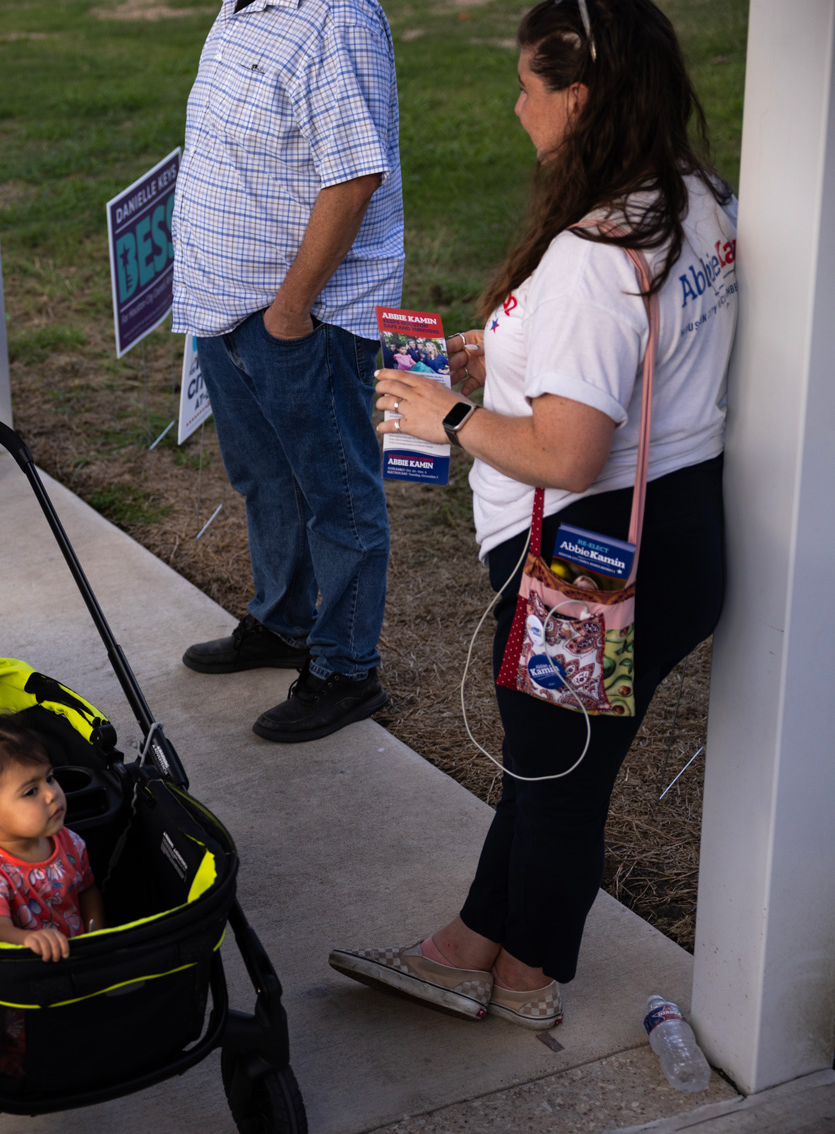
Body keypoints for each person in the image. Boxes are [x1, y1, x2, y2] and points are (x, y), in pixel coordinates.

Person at [330, 0, 734, 1029]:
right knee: (551, 760)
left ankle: (522, 979)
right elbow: (625, 365)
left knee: (554, 777)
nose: (516, 108)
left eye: (527, 87)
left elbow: (567, 449)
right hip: (674, 528)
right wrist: (499, 356)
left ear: (579, 99)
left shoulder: (591, 255)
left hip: (584, 553)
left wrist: (448, 408)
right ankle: (471, 945)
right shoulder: (690, 199)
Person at [171, 0, 402, 744]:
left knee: (337, 495)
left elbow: (354, 177)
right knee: (265, 481)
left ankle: (345, 669)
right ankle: (284, 622)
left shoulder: (335, 19)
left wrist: (291, 308)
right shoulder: (240, 10)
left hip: (298, 317)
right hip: (227, 308)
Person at [0, 714, 104, 961]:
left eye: (49, 778)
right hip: (32, 964)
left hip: (81, 954)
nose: (52, 794)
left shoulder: (67, 840)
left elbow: (86, 888)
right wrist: (28, 941)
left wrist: (97, 934)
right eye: (31, 791)